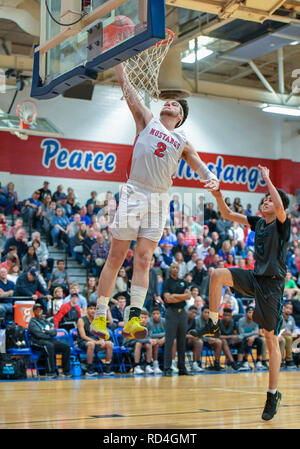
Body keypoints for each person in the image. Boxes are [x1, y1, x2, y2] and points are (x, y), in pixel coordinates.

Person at [90, 62, 219, 341]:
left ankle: (133, 318)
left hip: (160, 199)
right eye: (168, 101)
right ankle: (100, 314)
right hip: (135, 191)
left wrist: (211, 178)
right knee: (116, 256)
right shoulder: (148, 120)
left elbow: (198, 163)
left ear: (180, 116)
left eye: (175, 104)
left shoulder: (181, 139)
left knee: (145, 259)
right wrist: (121, 66)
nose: (170, 102)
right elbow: (130, 93)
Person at [197, 165, 290, 421]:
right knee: (217, 274)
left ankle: (272, 394)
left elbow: (280, 207)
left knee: (270, 339)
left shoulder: (283, 224)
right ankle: (213, 325)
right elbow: (227, 213)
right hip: (254, 277)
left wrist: (268, 179)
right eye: (264, 199)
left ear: (279, 204)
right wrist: (218, 193)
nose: (265, 202)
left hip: (272, 285)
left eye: (270, 200)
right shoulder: (258, 222)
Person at [162, 262, 191, 376]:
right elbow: (167, 299)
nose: (175, 269)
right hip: (171, 313)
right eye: (173, 267)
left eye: (177, 267)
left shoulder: (183, 282)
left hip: (182, 313)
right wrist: (180, 297)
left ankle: (182, 368)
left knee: (182, 342)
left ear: (179, 269)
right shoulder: (166, 282)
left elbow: (188, 296)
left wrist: (175, 296)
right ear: (170, 269)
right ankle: (167, 368)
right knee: (169, 341)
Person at [28, 303, 72, 378]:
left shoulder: (46, 321)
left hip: (48, 340)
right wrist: (48, 333)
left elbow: (54, 332)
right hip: (37, 342)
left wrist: (46, 331)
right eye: (37, 310)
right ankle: (50, 372)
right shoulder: (32, 322)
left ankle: (66, 371)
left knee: (66, 347)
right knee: (49, 346)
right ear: (34, 311)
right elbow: (38, 335)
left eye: (40, 309)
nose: (39, 311)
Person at [77, 302, 114, 376]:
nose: (93, 310)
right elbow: (83, 336)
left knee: (109, 344)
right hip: (84, 341)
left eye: (94, 309)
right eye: (91, 309)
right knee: (91, 344)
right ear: (87, 310)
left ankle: (107, 366)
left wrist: (102, 340)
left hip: (95, 341)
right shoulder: (81, 320)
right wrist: (95, 341)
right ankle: (89, 368)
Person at [190, 306, 224, 371]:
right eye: (205, 312)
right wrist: (208, 339)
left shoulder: (211, 321)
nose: (207, 314)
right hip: (198, 340)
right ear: (201, 312)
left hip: (208, 340)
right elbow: (196, 335)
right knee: (199, 341)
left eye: (208, 313)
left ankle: (216, 363)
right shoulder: (196, 320)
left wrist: (213, 338)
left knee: (219, 342)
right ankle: (197, 363)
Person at [237, 306, 265, 371]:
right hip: (243, 339)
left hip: (252, 338)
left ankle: (258, 361)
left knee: (260, 341)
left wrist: (253, 336)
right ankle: (245, 361)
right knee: (246, 341)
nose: (251, 314)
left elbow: (257, 333)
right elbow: (242, 334)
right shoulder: (241, 321)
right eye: (249, 312)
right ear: (246, 313)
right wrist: (252, 334)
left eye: (252, 312)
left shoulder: (256, 320)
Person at [186, 306, 204, 373]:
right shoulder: (182, 319)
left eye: (196, 313)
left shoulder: (193, 321)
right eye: (193, 312)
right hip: (179, 339)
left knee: (199, 342)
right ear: (188, 311)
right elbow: (179, 334)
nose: (194, 314)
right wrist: (191, 337)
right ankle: (181, 364)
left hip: (188, 340)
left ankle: (195, 364)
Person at [280, 302, 297, 368]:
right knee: (285, 339)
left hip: (288, 336)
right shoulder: (279, 317)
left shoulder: (291, 318)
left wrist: (291, 333)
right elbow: (274, 329)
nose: (288, 310)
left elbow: (294, 330)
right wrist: (283, 333)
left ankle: (290, 360)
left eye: (290, 309)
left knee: (291, 338)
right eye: (287, 308)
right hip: (279, 336)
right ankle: (281, 360)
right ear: (283, 308)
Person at [148, 307, 165, 374]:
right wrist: (159, 338)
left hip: (164, 340)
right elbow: (151, 335)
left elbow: (170, 332)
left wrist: (164, 338)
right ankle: (155, 364)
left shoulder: (164, 321)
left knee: (174, 341)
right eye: (154, 314)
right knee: (155, 343)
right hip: (154, 341)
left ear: (160, 314)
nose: (156, 315)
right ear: (151, 315)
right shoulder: (149, 322)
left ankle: (172, 362)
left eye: (157, 313)